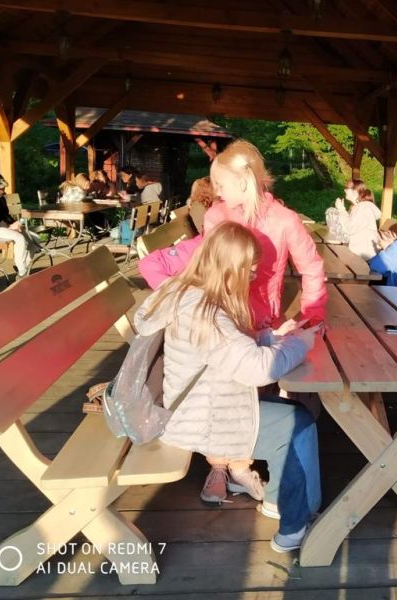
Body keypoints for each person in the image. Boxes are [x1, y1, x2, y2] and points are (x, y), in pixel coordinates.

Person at [134, 221, 322, 553]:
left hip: (195, 408)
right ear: (230, 268)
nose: (253, 277)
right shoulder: (205, 312)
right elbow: (259, 369)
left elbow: (228, 349)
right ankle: (296, 526)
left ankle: (279, 502)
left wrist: (272, 337)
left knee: (293, 413)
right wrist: (300, 344)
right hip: (201, 421)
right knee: (297, 424)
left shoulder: (191, 295)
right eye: (250, 270)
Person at [139, 139, 327, 329]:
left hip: (257, 324)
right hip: (225, 320)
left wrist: (311, 318)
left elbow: (311, 269)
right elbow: (197, 258)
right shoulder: (218, 216)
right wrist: (180, 298)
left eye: (220, 185)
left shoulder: (284, 220)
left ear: (242, 183)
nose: (217, 193)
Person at [0, 174, 40, 278]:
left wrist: (15, 224)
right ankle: (22, 273)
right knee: (19, 238)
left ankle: (23, 266)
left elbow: (6, 215)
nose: (2, 191)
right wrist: (9, 227)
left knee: (35, 238)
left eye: (3, 188)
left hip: (6, 227)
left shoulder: (1, 198)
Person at [333, 179, 381, 260]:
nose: (344, 190)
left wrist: (342, 210)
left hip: (363, 255)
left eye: (347, 188)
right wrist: (342, 211)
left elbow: (349, 229)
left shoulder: (363, 208)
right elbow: (349, 225)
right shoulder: (358, 207)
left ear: (355, 191)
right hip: (358, 250)